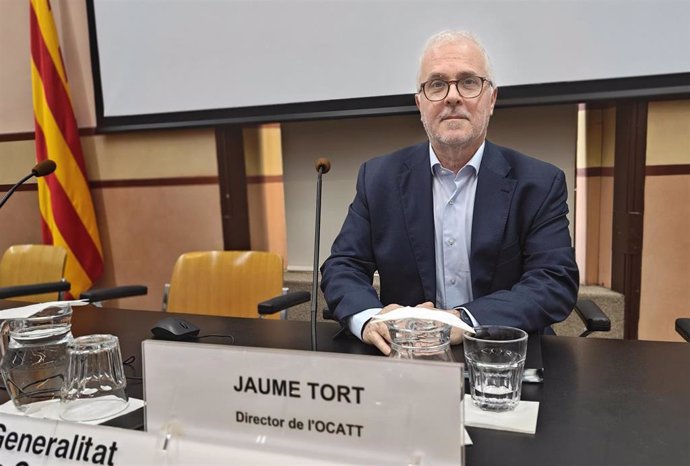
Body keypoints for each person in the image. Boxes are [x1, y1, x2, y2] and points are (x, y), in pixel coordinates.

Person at [320, 30, 579, 355]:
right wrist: (371, 318)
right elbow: (343, 265)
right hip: (407, 356)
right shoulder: (378, 178)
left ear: (492, 99)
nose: (452, 97)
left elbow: (554, 281)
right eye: (437, 84)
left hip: (504, 359)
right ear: (420, 103)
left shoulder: (539, 183)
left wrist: (461, 321)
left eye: (469, 82)